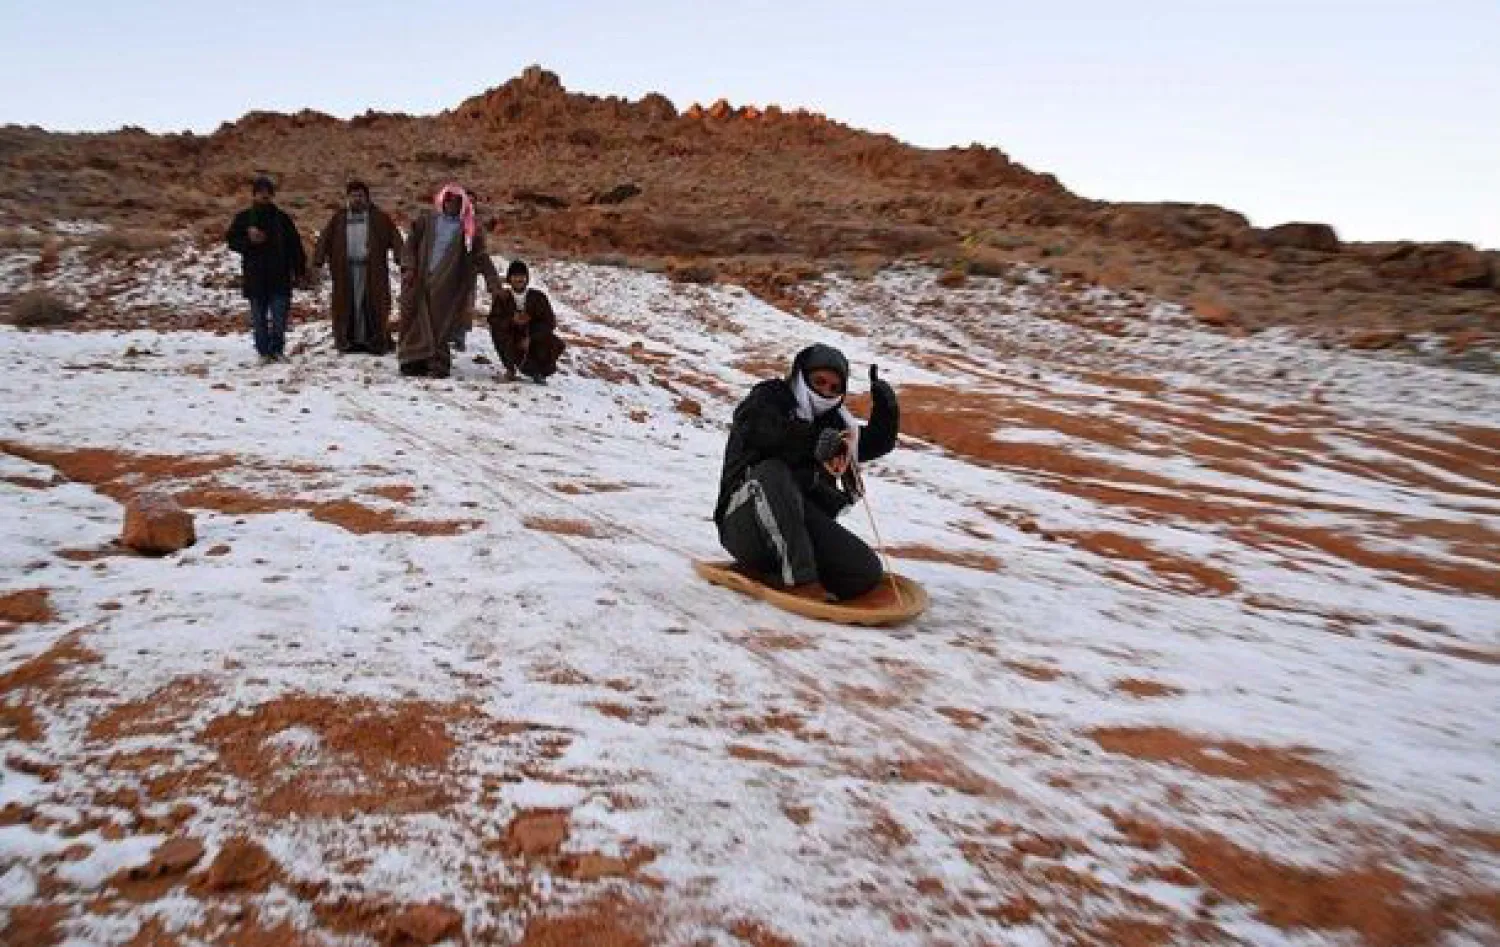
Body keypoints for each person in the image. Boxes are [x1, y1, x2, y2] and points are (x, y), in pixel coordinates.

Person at [713, 344, 900, 601]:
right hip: (743, 522)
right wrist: (813, 441)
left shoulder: (835, 423)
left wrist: (886, 411)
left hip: (796, 525)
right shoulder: (769, 397)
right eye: (819, 382)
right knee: (772, 473)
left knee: (865, 572)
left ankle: (769, 574)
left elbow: (868, 444)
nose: (825, 391)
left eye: (835, 388)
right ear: (801, 375)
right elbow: (763, 429)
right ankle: (800, 581)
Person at [397, 184, 501, 379]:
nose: (451, 204)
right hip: (419, 279)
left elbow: (482, 258)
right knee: (413, 320)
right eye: (448, 200)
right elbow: (410, 244)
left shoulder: (469, 230)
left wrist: (493, 283)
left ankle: (437, 363)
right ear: (442, 201)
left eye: (456, 201)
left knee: (439, 325)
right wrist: (409, 267)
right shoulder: (426, 221)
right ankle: (411, 361)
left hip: (448, 285)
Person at [311, 180, 404, 355]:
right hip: (345, 271)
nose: (357, 199)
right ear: (348, 198)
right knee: (347, 304)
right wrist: (318, 259)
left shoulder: (379, 218)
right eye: (353, 196)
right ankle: (349, 340)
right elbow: (325, 238)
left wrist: (402, 259)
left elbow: (395, 238)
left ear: (367, 198)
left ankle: (374, 341)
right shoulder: (339, 218)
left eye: (360, 196)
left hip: (372, 272)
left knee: (373, 304)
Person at [225, 175, 307, 363]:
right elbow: (232, 241)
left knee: (279, 320)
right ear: (254, 196)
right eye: (261, 194)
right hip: (255, 277)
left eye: (267, 194)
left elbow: (295, 245)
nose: (264, 198)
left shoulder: (282, 219)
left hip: (280, 276)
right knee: (259, 320)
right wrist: (249, 241)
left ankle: (277, 350)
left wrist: (299, 270)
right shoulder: (244, 219)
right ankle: (263, 352)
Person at [486, 259, 566, 383]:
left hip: (533, 336)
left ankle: (538, 373)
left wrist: (531, 338)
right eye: (515, 276)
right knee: (498, 331)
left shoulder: (538, 297)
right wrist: (512, 320)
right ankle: (510, 369)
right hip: (511, 336)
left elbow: (549, 322)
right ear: (509, 278)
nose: (519, 279)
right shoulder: (502, 298)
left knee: (552, 342)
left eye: (522, 276)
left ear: (527, 278)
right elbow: (493, 319)